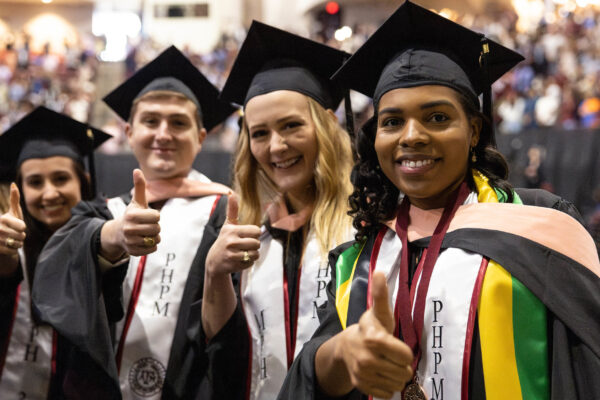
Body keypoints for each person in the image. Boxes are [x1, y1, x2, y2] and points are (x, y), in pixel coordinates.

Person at [279, 2, 600, 399]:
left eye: (437, 118)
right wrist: (344, 353)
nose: (411, 136)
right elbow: (312, 375)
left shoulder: (543, 227)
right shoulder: (356, 255)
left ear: (474, 129)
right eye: (392, 121)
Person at [32, 46, 237, 399]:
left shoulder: (227, 213)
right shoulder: (101, 212)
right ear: (128, 131)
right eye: (150, 121)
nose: (163, 134)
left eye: (178, 122)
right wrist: (112, 236)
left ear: (201, 138)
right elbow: (53, 272)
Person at [198, 21, 355, 400]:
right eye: (260, 133)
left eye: (291, 126)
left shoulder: (366, 225)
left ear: (328, 125)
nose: (276, 146)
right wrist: (214, 273)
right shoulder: (249, 231)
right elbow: (226, 353)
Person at [0, 106, 112, 398]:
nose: (49, 193)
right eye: (35, 182)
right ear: (20, 190)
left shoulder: (105, 239)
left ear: (83, 182)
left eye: (61, 179)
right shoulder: (12, 247)